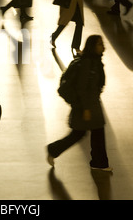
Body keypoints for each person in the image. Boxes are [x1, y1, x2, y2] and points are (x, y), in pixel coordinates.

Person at [47, 35, 112, 172]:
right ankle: (98, 163)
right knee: (83, 133)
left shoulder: (94, 61)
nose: (103, 47)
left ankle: (98, 162)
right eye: (100, 44)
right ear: (92, 47)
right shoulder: (88, 63)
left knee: (85, 133)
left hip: (91, 103)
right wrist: (86, 108)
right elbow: (82, 88)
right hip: (86, 105)